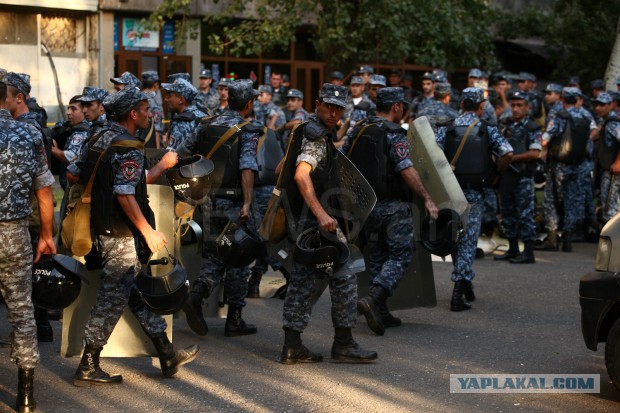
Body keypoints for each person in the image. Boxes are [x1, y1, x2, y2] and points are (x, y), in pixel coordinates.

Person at [66, 86, 199, 387]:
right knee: (110, 300)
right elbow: (126, 194)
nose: (151, 114)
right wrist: (148, 232)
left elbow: (73, 173)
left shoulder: (98, 137)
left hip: (103, 229)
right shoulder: (127, 146)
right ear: (132, 114)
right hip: (121, 233)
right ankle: (88, 365)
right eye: (145, 109)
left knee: (133, 293)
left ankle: (166, 354)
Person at [278, 83, 378, 364]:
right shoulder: (316, 136)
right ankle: (343, 344)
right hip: (316, 222)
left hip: (301, 220)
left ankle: (292, 346)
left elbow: (282, 168)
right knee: (344, 275)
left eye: (338, 108)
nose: (333, 113)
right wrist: (321, 213)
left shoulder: (304, 128)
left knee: (302, 283)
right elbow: (300, 175)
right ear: (318, 103)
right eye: (329, 106)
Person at [344, 87, 438, 335]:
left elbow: (343, 162)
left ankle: (380, 311)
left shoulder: (359, 129)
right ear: (396, 107)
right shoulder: (394, 134)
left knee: (377, 255)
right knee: (400, 255)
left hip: (367, 207)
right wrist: (427, 199)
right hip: (394, 208)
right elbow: (406, 168)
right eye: (402, 105)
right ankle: (374, 299)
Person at [177, 79, 261, 338]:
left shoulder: (205, 125)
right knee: (237, 256)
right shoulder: (247, 129)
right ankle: (234, 318)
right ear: (248, 104)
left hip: (207, 200)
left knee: (215, 254)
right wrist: (247, 202)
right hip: (234, 200)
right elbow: (247, 166)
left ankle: (198, 294)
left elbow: (181, 154)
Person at [0, 70, 56, 413]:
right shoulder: (29, 133)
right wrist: (47, 235)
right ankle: (25, 394)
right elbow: (45, 191)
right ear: (8, 98)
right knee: (22, 310)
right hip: (15, 232)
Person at [436, 87, 513, 311]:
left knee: (454, 235)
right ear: (481, 106)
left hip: (449, 191)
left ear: (462, 104)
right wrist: (497, 172)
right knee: (468, 239)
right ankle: (459, 291)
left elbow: (435, 156)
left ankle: (466, 281)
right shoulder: (488, 128)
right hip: (474, 193)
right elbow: (507, 153)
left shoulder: (447, 127)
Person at [537, 87, 592, 252]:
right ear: (576, 101)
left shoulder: (559, 117)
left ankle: (552, 239)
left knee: (551, 201)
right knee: (570, 201)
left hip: (558, 166)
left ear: (562, 101)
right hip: (577, 165)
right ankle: (568, 239)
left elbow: (545, 140)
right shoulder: (585, 117)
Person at [494, 91, 542, 264]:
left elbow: (535, 153)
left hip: (523, 177)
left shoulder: (532, 128)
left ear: (526, 107)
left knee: (525, 214)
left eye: (519, 105)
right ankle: (513, 248)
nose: (515, 109)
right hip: (506, 176)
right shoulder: (504, 125)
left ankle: (528, 252)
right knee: (508, 213)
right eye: (513, 105)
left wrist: (511, 158)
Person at [50, 96, 90, 190]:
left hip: (77, 188)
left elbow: (71, 156)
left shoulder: (82, 132)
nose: (68, 112)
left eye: (73, 109)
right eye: (68, 108)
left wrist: (54, 150)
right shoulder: (72, 127)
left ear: (84, 111)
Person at [592, 92, 620, 222]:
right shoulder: (608, 122)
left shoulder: (613, 123)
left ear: (611, 105)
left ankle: (614, 241)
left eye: (602, 105)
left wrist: (618, 162)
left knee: (610, 209)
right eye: (596, 104)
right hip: (608, 170)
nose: (598, 108)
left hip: (613, 173)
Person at [162, 78, 207, 150]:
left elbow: (171, 155)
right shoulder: (202, 115)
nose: (166, 99)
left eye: (169, 96)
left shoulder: (181, 123)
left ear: (180, 100)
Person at [141, 71, 164, 148]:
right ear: (155, 84)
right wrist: (156, 155)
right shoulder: (154, 102)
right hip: (150, 146)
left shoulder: (137, 98)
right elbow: (156, 131)